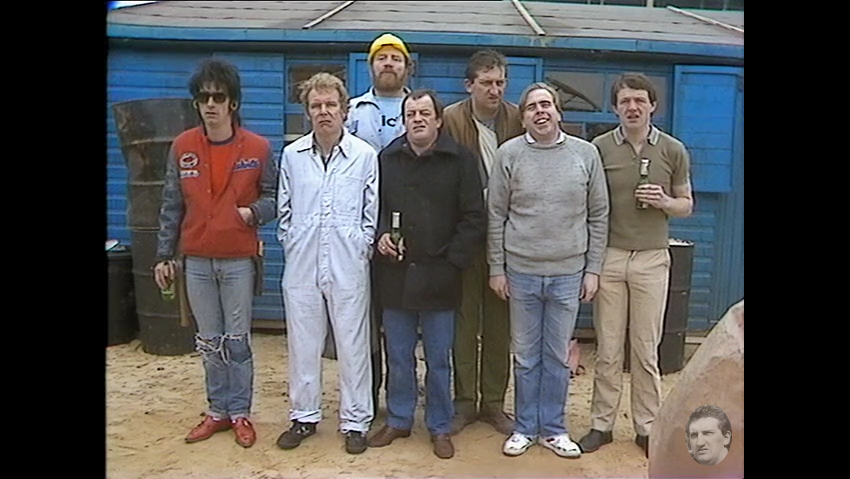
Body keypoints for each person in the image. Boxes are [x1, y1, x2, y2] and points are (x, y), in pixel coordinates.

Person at [153, 57, 278, 448]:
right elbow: (171, 204)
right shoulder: (183, 147)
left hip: (238, 258)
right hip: (196, 260)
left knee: (236, 340)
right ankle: (217, 411)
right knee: (208, 340)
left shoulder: (258, 148)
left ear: (232, 102)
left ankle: (240, 412)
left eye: (218, 97)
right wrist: (163, 255)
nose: (210, 104)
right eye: (203, 97)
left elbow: (275, 198)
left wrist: (253, 213)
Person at [488, 82, 609, 458]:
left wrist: (593, 269)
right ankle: (525, 427)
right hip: (520, 271)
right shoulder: (509, 154)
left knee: (557, 356)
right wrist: (496, 268)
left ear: (558, 112)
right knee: (526, 355)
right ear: (523, 116)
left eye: (546, 105)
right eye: (532, 107)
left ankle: (553, 429)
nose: (540, 112)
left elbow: (599, 215)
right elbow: (496, 214)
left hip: (568, 273)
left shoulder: (585, 154)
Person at [578, 72, 694, 458]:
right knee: (609, 348)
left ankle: (647, 427)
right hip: (610, 256)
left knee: (645, 349)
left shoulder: (673, 150)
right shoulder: (598, 149)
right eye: (625, 101)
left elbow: (686, 204)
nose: (632, 107)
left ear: (652, 106)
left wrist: (664, 201)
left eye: (639, 101)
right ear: (615, 108)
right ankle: (602, 425)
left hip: (652, 259)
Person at [366, 89, 486, 459]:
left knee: (439, 358)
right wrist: (382, 236)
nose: (417, 119)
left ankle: (439, 425)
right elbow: (374, 208)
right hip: (396, 274)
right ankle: (399, 418)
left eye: (424, 113)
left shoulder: (461, 160)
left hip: (441, 274)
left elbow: (474, 218)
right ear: (404, 121)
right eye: (410, 114)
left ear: (438, 120)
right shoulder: (387, 159)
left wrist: (453, 262)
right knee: (399, 355)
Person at [275, 72, 378, 455]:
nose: (324, 112)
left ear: (344, 110)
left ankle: (356, 422)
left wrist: (361, 245)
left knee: (353, 344)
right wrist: (292, 241)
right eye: (316, 106)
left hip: (348, 261)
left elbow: (371, 212)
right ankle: (304, 416)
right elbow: (284, 210)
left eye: (330, 104)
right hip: (302, 261)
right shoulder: (293, 156)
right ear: (307, 112)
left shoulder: (364, 156)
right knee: (303, 342)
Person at [442, 49, 524, 436]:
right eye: (487, 82)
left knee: (499, 323)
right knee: (464, 322)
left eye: (500, 82)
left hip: (508, 238)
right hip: (465, 235)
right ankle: (463, 402)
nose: (495, 90)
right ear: (469, 85)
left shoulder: (517, 118)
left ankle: (493, 403)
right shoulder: (451, 119)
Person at [345, 32, 414, 411]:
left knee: (403, 320)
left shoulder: (418, 109)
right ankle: (367, 399)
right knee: (367, 319)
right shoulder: (354, 111)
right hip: (362, 226)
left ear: (407, 67)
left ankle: (403, 397)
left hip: (409, 227)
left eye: (395, 58)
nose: (388, 64)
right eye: (381, 58)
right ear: (370, 66)